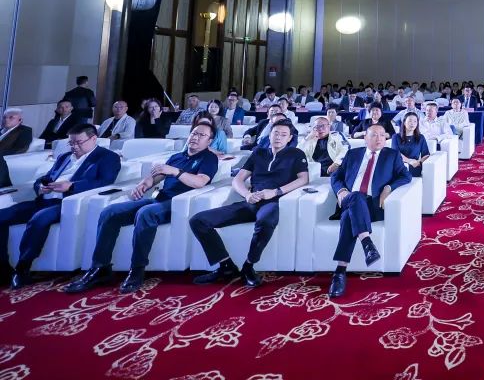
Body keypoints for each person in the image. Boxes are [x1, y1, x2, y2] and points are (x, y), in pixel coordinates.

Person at [64, 122, 219, 294]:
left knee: (145, 213)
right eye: (194, 133)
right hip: (159, 200)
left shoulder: (209, 159)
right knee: (110, 212)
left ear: (209, 141)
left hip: (179, 204)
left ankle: (137, 269)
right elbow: (154, 178)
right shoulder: (176, 157)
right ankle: (100, 267)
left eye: (201, 135)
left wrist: (175, 172)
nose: (195, 137)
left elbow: (200, 182)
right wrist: (144, 184)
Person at [189, 120, 310, 287]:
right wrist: (247, 195)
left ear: (289, 138)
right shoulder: (258, 152)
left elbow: (303, 179)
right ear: (269, 134)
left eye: (284, 135)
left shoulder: (296, 154)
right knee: (198, 220)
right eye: (276, 133)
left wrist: (275, 192)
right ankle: (226, 265)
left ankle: (248, 266)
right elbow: (238, 179)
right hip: (251, 201)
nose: (278, 137)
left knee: (265, 221)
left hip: (273, 201)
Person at [0, 124, 121, 288]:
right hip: (44, 200)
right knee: (3, 215)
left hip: (66, 203)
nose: (74, 147)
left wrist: (71, 186)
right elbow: (47, 177)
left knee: (39, 219)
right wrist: (40, 186)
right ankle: (3, 267)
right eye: (71, 143)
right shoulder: (65, 157)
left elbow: (105, 182)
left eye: (78, 142)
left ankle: (22, 268)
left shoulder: (107, 157)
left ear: (93, 139)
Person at [328, 125, 412, 296]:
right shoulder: (353, 154)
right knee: (356, 197)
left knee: (348, 217)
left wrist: (389, 187)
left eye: (382, 135)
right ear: (365, 138)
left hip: (372, 206)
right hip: (349, 199)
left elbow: (406, 176)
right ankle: (367, 243)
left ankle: (340, 271)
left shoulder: (392, 155)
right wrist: (340, 190)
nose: (379, 138)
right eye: (374, 135)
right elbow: (336, 176)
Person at [0, 108, 33, 188]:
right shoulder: (1, 130)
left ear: (20, 120)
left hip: (5, 158)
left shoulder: (25, 130)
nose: (6, 120)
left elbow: (21, 148)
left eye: (11, 117)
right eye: (4, 117)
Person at [391, 112, 430, 178]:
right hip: (400, 166)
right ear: (404, 122)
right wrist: (409, 161)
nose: (412, 123)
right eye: (410, 121)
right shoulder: (396, 137)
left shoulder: (421, 137)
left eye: (415, 121)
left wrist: (418, 162)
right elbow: (395, 153)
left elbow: (426, 154)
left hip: (415, 166)